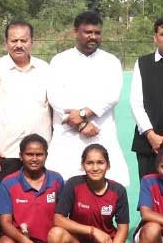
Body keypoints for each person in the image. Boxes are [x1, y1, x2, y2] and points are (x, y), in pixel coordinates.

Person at [47, 11, 130, 186]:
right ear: (75, 32)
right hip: (67, 134)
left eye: (97, 33)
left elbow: (112, 95)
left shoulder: (111, 61)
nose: (93, 37)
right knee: (63, 187)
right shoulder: (60, 61)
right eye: (88, 32)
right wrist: (81, 124)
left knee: (107, 190)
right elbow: (55, 97)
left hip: (100, 133)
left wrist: (84, 114)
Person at [47, 144, 136, 243]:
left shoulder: (118, 190)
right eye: (90, 163)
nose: (95, 168)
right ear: (83, 165)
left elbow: (123, 229)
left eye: (100, 163)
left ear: (108, 165)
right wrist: (92, 230)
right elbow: (58, 219)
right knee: (55, 234)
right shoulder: (74, 185)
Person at [0, 20, 51, 181]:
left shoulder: (45, 69)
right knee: (3, 204)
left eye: (23, 40)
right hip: (5, 153)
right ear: (6, 43)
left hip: (39, 154)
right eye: (14, 40)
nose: (19, 45)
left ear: (32, 42)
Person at [131, 18, 163, 179]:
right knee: (149, 197)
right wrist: (151, 135)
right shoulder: (143, 63)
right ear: (155, 37)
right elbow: (136, 103)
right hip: (148, 144)